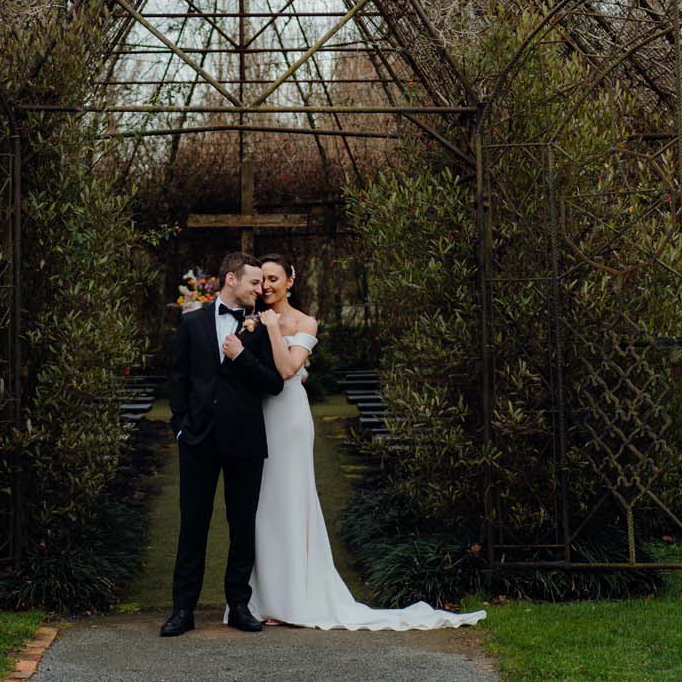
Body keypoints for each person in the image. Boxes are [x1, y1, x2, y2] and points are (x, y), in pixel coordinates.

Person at [248, 253, 486, 632]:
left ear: (290, 281)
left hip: (289, 420)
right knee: (263, 507)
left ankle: (294, 598)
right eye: (262, 279)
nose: (267, 286)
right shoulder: (253, 319)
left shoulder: (304, 321)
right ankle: (263, 598)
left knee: (291, 499)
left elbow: (289, 369)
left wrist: (274, 329)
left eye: (274, 278)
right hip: (259, 418)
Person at [160, 250, 284, 637]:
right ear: (231, 280)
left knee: (241, 524)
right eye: (253, 282)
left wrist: (243, 355)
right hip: (197, 439)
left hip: (245, 439)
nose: (259, 288)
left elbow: (273, 383)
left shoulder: (261, 328)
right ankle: (183, 609)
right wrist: (180, 427)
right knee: (192, 524)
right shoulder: (192, 323)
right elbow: (178, 378)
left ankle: (239, 605)